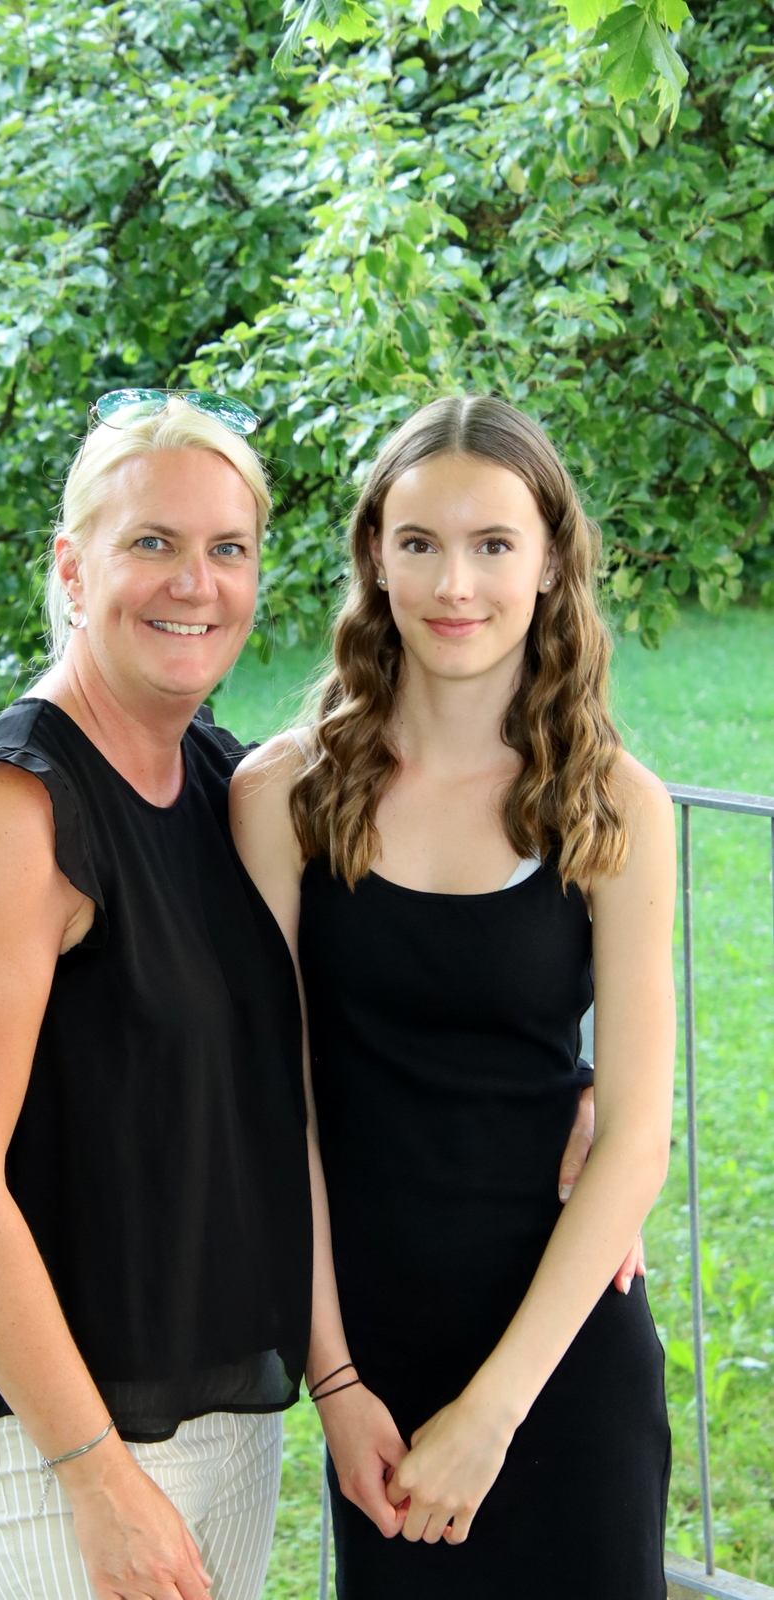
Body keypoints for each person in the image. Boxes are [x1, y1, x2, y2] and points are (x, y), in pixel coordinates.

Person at [231, 394, 676, 1597]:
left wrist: (492, 1412)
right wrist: (333, 1381)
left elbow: (634, 1136)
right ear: (374, 556)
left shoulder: (612, 804)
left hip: (561, 1356)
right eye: (419, 542)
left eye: (492, 544)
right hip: (371, 1367)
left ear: (548, 563)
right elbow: (280, 1115)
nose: (454, 584)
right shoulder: (282, 795)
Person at [0, 393, 313, 1600]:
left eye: (227, 548)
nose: (195, 583)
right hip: (57, 1446)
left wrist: (565, 1093)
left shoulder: (217, 777)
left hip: (217, 1402)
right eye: (152, 543)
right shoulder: (15, 812)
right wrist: (96, 1476)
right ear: (73, 568)